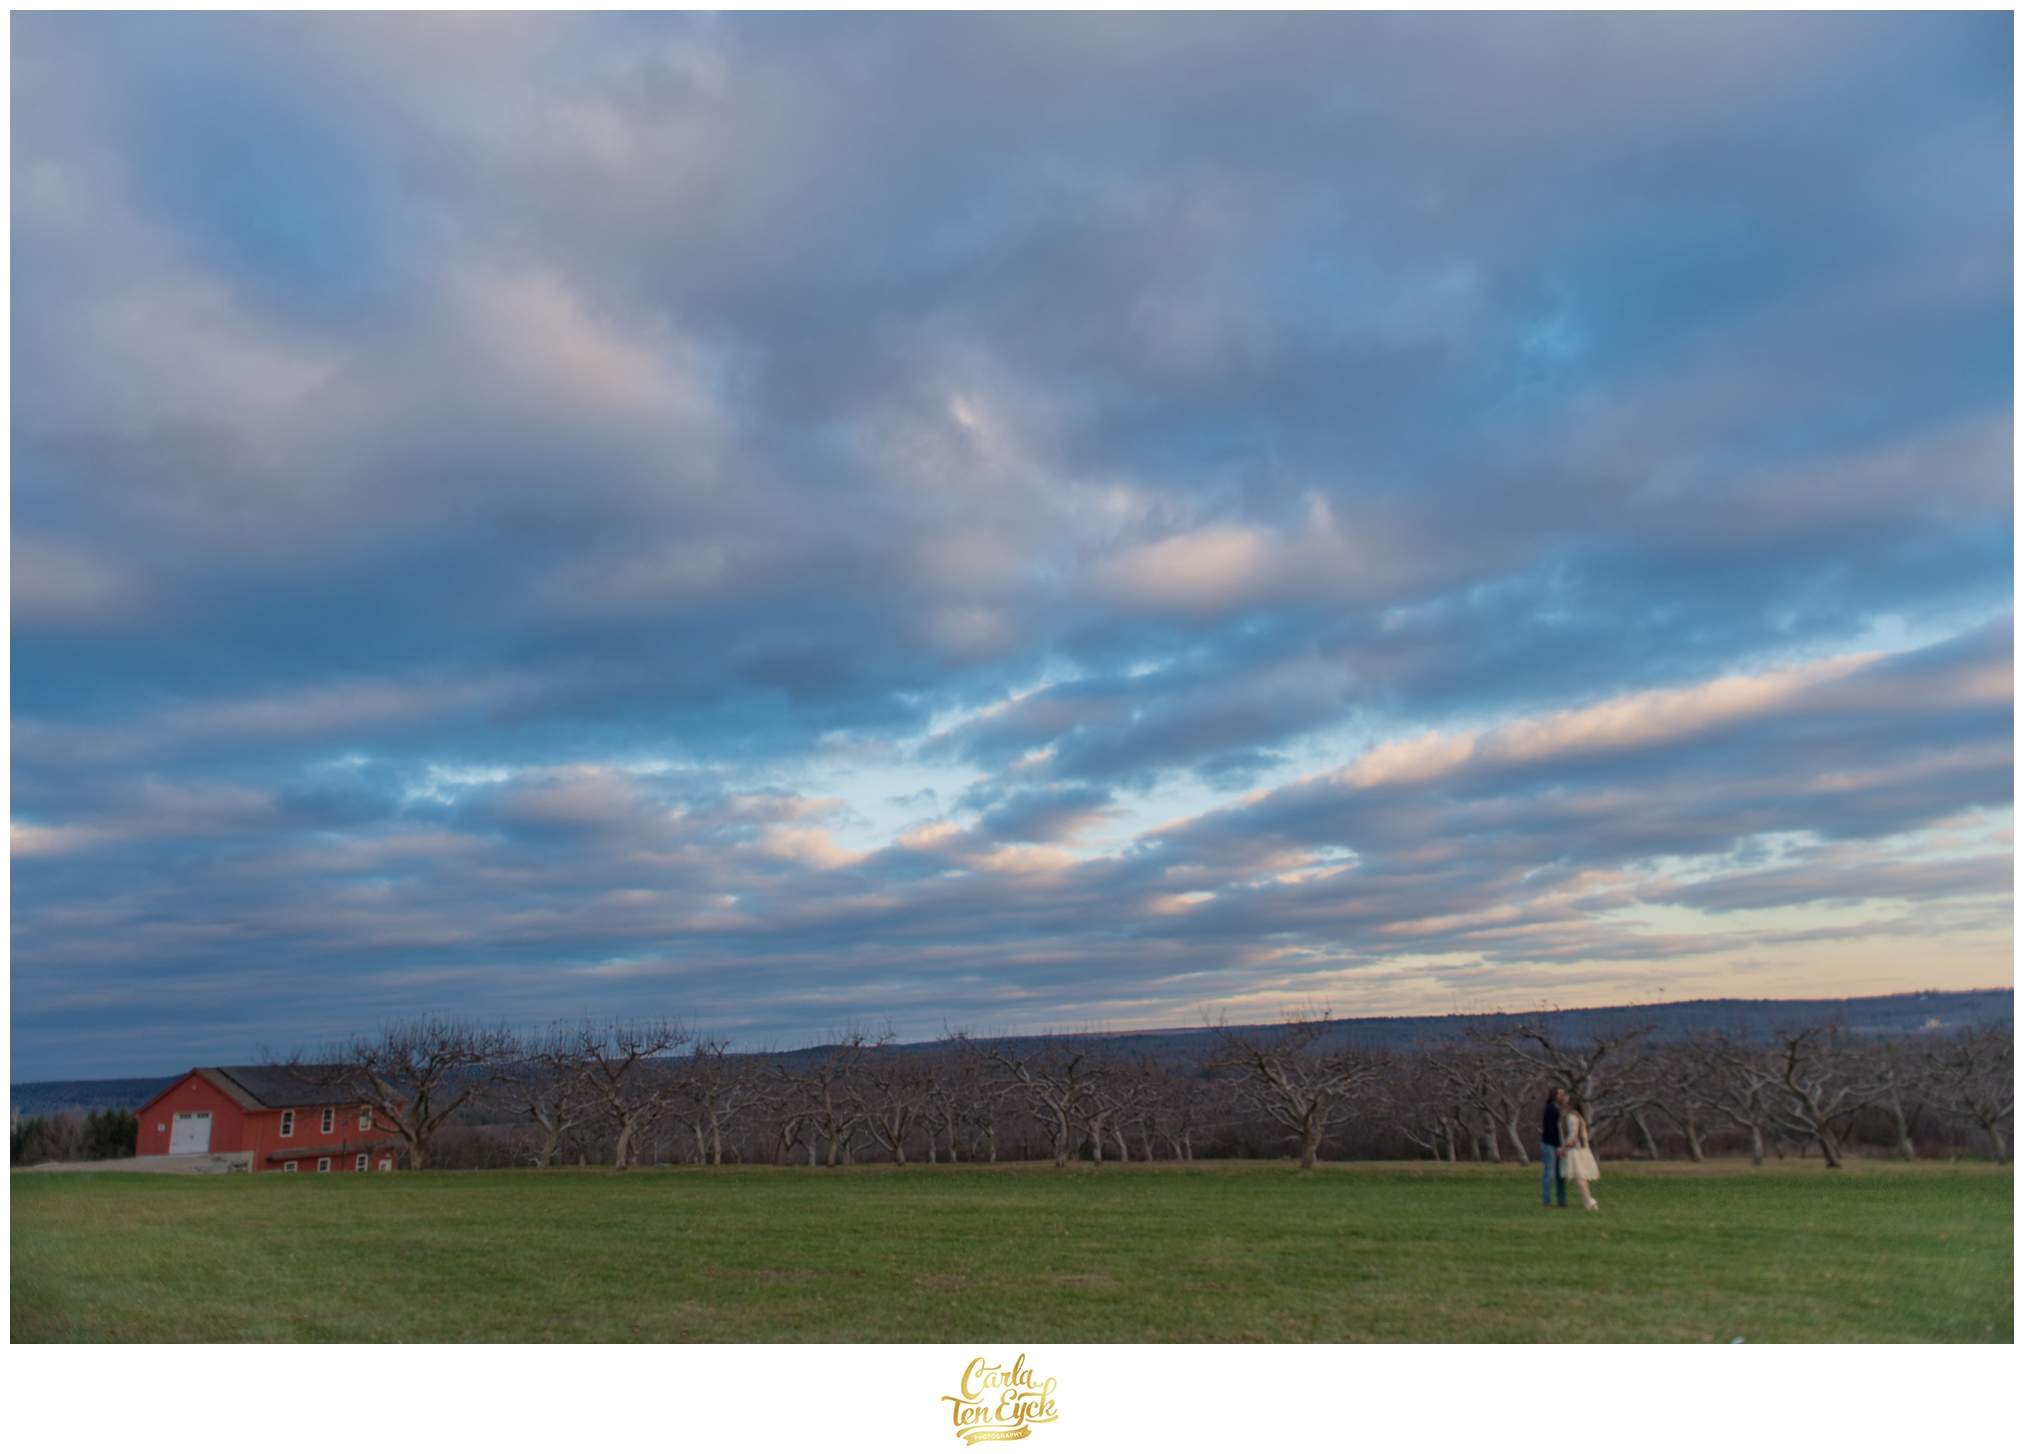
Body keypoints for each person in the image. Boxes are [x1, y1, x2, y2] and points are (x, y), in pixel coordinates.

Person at [1562, 1100, 1601, 1211]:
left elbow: (1573, 1136)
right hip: (1583, 1149)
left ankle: (1589, 1200)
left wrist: (1564, 1148)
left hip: (1576, 1151)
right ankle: (1588, 1200)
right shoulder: (1579, 1116)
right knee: (1582, 1176)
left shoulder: (1571, 1117)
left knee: (1579, 1176)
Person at [1539, 1089, 1568, 1208]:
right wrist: (1558, 1146)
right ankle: (1546, 1201)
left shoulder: (1557, 1109)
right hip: (1550, 1145)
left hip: (1556, 1145)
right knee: (1549, 1173)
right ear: (1555, 1096)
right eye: (1561, 1094)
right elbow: (1551, 1130)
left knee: (1560, 1173)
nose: (1563, 1096)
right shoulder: (1550, 1109)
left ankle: (1561, 1201)